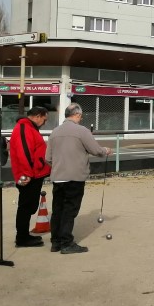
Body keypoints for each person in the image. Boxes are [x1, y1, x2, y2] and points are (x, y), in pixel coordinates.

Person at [45, 103, 112, 254]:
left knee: (58, 210)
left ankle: (55, 242)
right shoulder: (82, 131)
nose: (81, 119)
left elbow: (47, 158)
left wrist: (58, 166)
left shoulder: (54, 132)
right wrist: (105, 150)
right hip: (75, 177)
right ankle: (67, 243)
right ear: (77, 115)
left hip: (58, 177)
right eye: (80, 116)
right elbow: (95, 150)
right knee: (70, 210)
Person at [9, 107, 51, 248]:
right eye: (44, 119)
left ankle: (23, 235)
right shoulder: (24, 128)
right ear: (38, 116)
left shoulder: (28, 128)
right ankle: (21, 238)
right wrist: (27, 174)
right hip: (29, 175)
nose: (44, 123)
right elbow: (24, 153)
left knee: (29, 206)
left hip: (33, 173)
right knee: (26, 207)